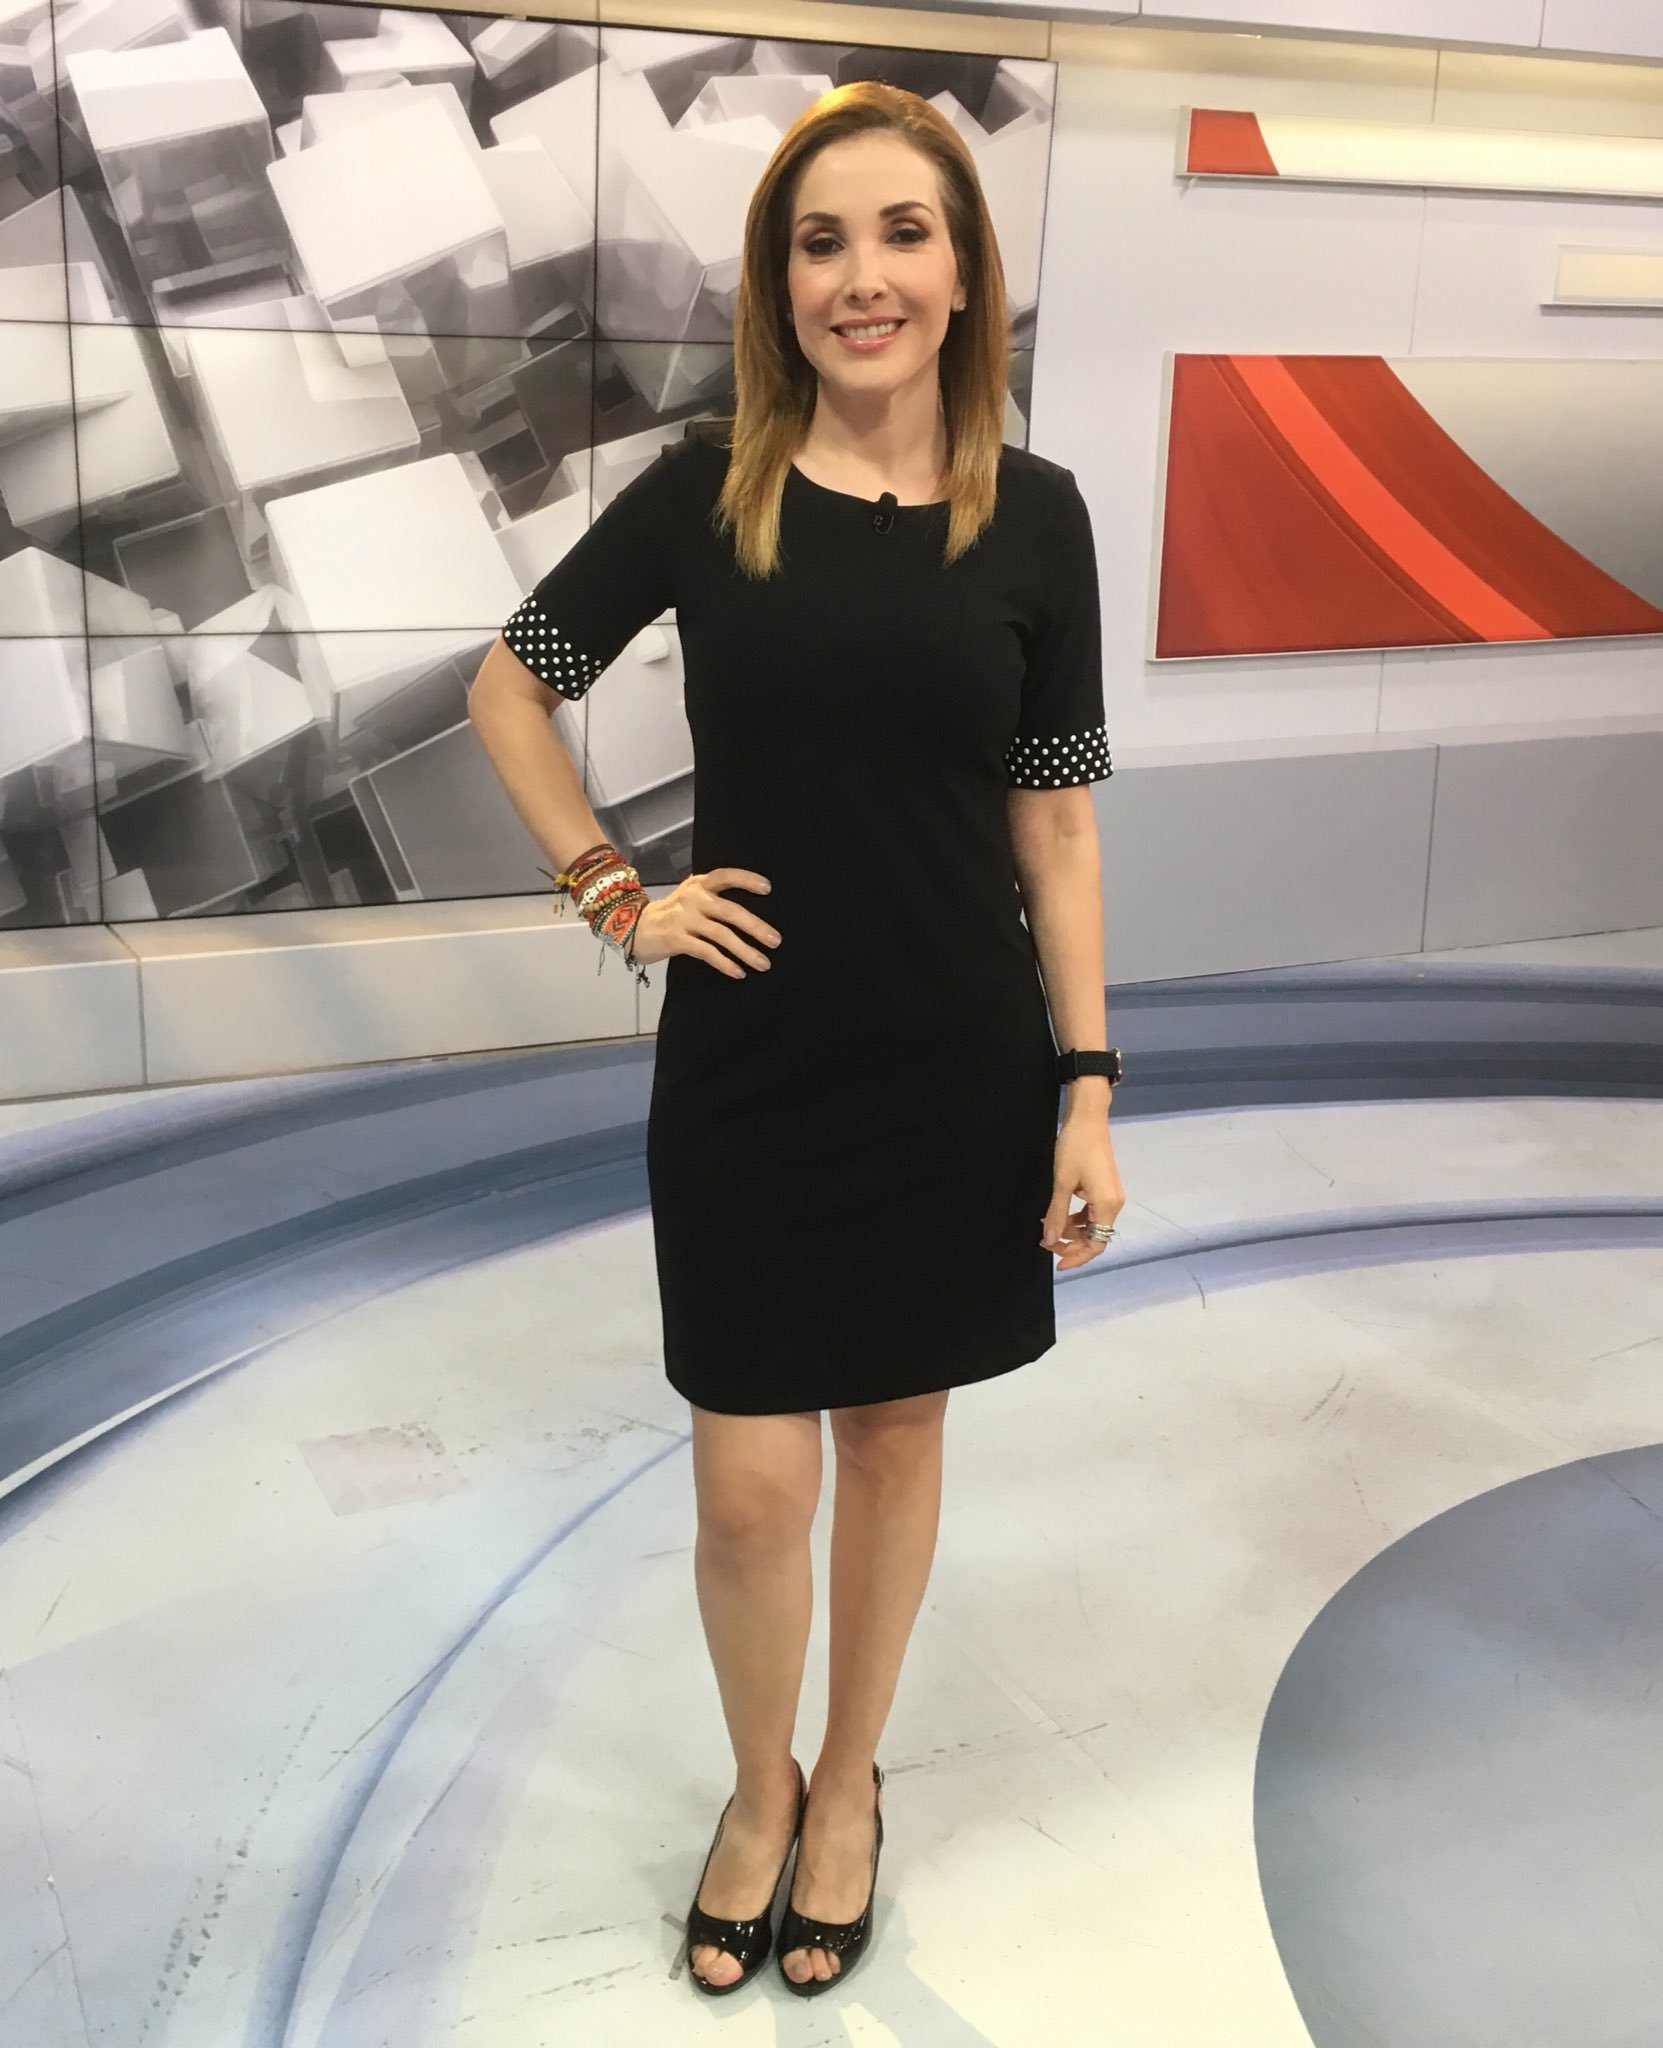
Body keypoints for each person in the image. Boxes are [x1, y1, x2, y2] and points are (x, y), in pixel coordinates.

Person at [466, 78, 1126, 2002]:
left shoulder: (1039, 520)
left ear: (963, 269)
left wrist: (1086, 1087)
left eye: (904, 233)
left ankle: (849, 1788)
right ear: (778, 283)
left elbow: (1058, 826)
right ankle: (756, 1789)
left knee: (897, 1435)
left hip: (954, 1062)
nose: (863, 277)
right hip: (751, 1071)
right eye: (820, 242)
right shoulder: (707, 495)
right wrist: (618, 893)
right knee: (751, 1486)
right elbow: (509, 690)